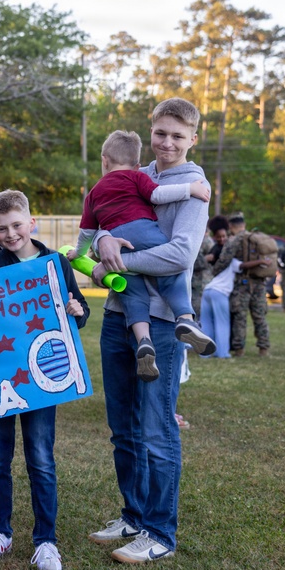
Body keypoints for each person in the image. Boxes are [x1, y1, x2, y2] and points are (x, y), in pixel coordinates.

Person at [84, 97, 208, 564]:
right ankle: (133, 515)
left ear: (193, 138)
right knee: (123, 429)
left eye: (178, 135)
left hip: (159, 322)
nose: (168, 142)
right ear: (150, 131)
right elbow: (100, 227)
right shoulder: (134, 173)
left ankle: (159, 533)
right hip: (119, 316)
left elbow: (179, 255)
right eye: (162, 133)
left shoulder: (195, 184)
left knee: (156, 428)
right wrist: (102, 243)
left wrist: (114, 261)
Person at [0, 190, 88, 570]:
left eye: (17, 225)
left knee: (40, 458)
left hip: (42, 378)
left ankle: (45, 540)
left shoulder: (55, 264)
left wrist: (75, 309)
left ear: (31, 223)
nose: (11, 233)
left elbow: (79, 310)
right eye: (2, 229)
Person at [72, 129, 215, 382]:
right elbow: (158, 195)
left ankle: (143, 340)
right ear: (138, 165)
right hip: (146, 233)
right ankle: (184, 317)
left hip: (120, 242)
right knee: (171, 275)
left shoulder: (93, 193)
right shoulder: (136, 178)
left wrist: (78, 252)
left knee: (131, 292)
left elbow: (87, 231)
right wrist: (189, 189)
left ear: (104, 160)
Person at [211, 212, 274, 357]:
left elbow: (224, 260)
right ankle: (263, 348)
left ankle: (239, 349)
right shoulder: (257, 238)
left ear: (231, 226)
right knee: (260, 316)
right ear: (244, 225)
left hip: (241, 284)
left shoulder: (234, 241)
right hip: (259, 283)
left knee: (240, 316)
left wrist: (214, 272)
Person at [200, 216, 240, 358]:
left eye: (224, 236)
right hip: (219, 292)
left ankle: (205, 354)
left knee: (206, 323)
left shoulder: (214, 251)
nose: (222, 239)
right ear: (214, 236)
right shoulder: (231, 257)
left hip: (207, 290)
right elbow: (242, 266)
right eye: (219, 237)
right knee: (222, 323)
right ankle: (222, 353)